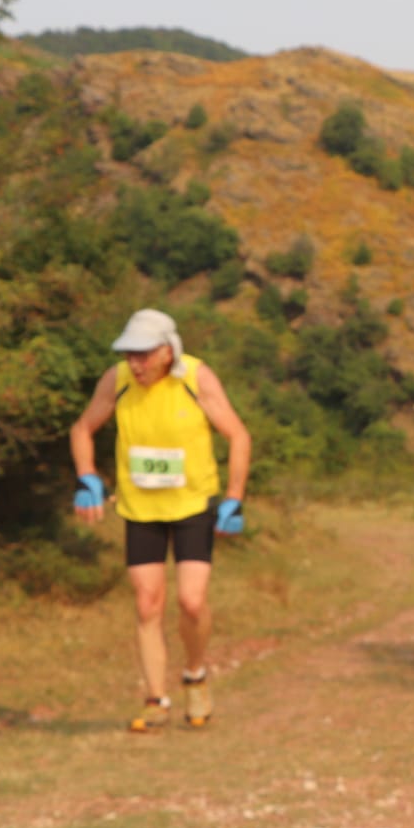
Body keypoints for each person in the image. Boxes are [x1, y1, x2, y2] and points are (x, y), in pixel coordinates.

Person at [70, 308, 252, 732]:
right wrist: (87, 478)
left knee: (191, 601)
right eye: (129, 354)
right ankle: (155, 699)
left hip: (192, 506)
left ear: (168, 352)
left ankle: (195, 674)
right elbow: (82, 429)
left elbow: (238, 434)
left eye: (144, 355)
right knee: (147, 603)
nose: (136, 363)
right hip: (140, 509)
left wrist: (234, 498)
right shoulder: (117, 381)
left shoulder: (195, 378)